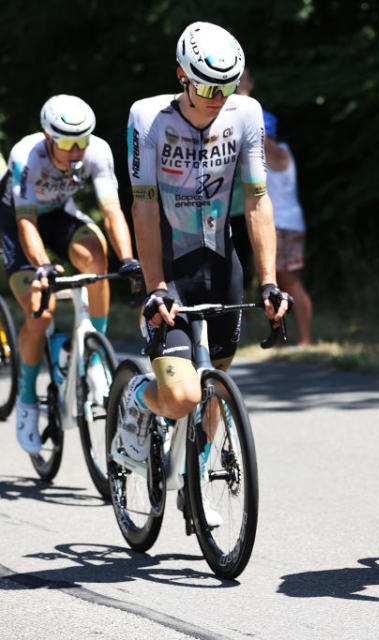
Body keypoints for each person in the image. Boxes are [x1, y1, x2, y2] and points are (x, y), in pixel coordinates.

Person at [123, 22, 289, 484]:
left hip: (221, 264)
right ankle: (137, 398)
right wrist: (156, 286)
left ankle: (196, 473)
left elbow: (257, 200)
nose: (218, 96)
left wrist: (269, 281)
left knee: (213, 388)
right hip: (171, 268)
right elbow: (144, 205)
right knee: (181, 397)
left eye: (227, 85)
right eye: (207, 85)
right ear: (181, 75)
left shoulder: (246, 114)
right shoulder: (148, 118)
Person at [0, 95, 138, 453]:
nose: (77, 151)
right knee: (39, 308)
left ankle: (95, 357)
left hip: (60, 214)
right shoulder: (27, 155)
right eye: (67, 143)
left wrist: (128, 259)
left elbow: (112, 211)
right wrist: (41, 264)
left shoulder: (97, 151)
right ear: (48, 137)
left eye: (83, 141)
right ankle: (28, 402)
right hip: (17, 222)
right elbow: (26, 221)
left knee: (97, 258)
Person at [263, 111, 314, 346]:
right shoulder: (279, 149)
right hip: (284, 224)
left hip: (283, 224)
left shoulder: (272, 149)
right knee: (280, 283)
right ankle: (284, 337)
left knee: (289, 281)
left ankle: (305, 339)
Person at [228, 69, 256, 296]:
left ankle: (240, 323)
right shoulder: (221, 111)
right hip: (225, 207)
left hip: (245, 207)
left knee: (241, 265)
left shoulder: (252, 113)